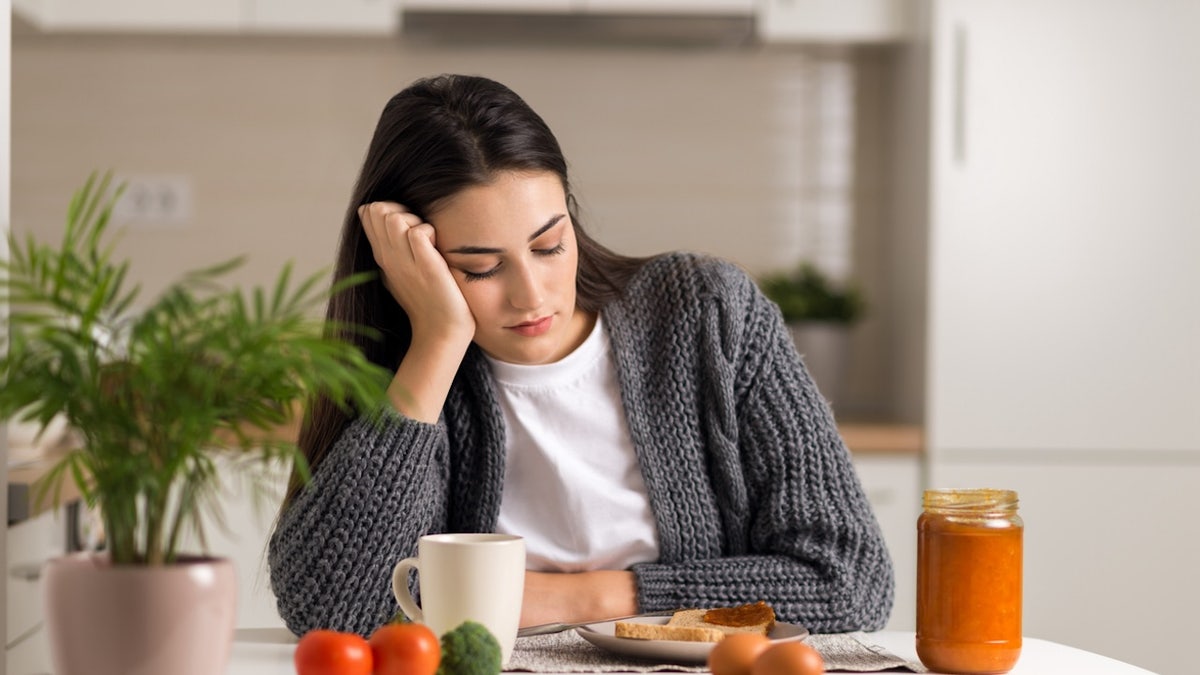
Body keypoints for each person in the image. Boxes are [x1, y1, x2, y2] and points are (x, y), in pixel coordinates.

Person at [268, 73, 893, 638]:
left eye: (549, 245)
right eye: (480, 268)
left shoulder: (707, 315)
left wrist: (573, 597)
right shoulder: (407, 369)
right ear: (414, 267)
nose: (532, 295)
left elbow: (848, 582)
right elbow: (334, 612)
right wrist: (436, 341)